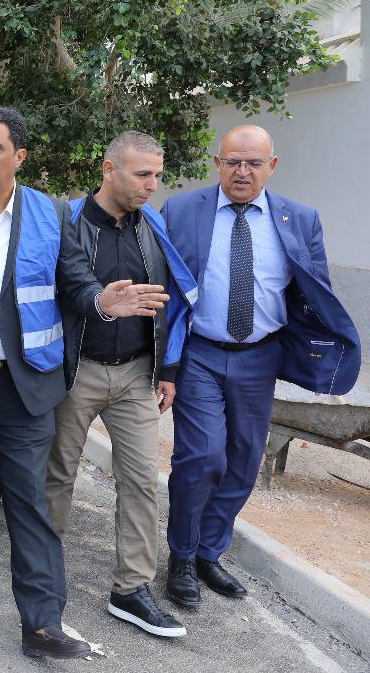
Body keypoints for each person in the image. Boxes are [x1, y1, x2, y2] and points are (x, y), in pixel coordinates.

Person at [0, 106, 169, 658]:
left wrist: (100, 301)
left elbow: (73, 281)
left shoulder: (51, 214)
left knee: (30, 504)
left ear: (19, 157)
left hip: (21, 386)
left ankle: (43, 622)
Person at [160, 125, 360, 610]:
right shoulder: (182, 211)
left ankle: (210, 552)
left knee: (244, 461)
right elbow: (164, 289)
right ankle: (181, 557)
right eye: (232, 162)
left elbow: (315, 288)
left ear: (272, 166)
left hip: (261, 355)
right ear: (217, 163)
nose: (241, 172)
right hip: (201, 354)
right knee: (202, 457)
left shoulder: (300, 218)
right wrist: (165, 364)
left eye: (252, 163)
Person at [46, 131, 198, 638]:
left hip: (136, 373)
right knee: (58, 474)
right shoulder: (67, 220)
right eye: (142, 174)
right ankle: (43, 572)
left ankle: (131, 590)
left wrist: (168, 370)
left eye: (157, 174)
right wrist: (99, 300)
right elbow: (63, 284)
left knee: (141, 482)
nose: (152, 185)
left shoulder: (152, 226)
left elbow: (173, 302)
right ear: (109, 169)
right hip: (76, 370)